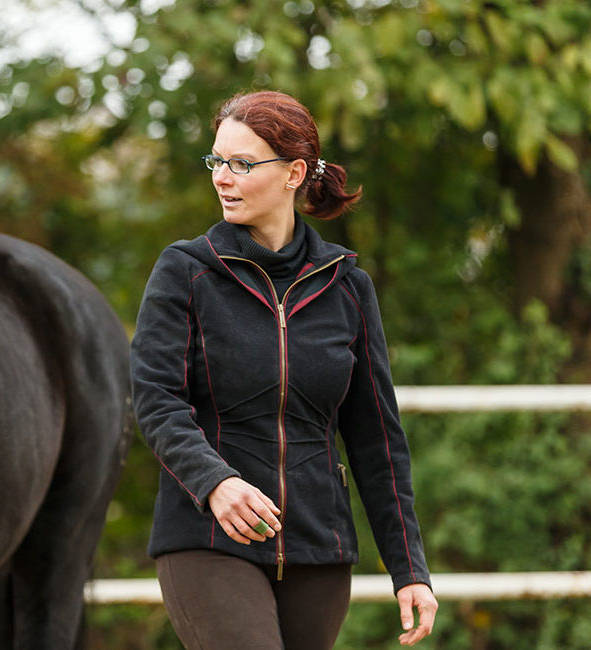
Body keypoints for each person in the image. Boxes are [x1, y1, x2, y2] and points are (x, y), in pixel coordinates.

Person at [130, 90, 438, 649]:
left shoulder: (347, 286)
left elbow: (377, 440)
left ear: (295, 172)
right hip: (209, 534)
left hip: (318, 547)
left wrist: (409, 568)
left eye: (242, 164)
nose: (223, 177)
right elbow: (155, 398)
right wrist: (215, 482)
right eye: (217, 161)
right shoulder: (186, 272)